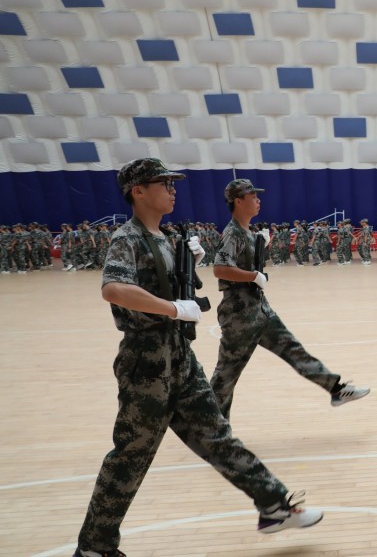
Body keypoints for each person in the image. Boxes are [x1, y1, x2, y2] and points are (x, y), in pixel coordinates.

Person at [74, 159, 322, 557]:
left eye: (173, 183)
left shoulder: (166, 236)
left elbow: (175, 286)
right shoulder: (128, 237)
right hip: (146, 363)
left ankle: (274, 505)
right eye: (163, 183)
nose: (173, 189)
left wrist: (189, 266)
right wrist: (173, 309)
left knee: (218, 436)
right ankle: (95, 547)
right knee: (131, 456)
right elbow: (114, 289)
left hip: (180, 358)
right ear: (138, 191)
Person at [210, 179, 370, 420]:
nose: (258, 200)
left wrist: (260, 247)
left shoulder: (247, 232)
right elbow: (220, 269)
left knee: (295, 351)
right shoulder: (233, 233)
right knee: (226, 376)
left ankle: (336, 389)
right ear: (238, 201)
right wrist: (253, 276)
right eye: (252, 196)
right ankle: (212, 426)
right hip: (239, 316)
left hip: (260, 310)